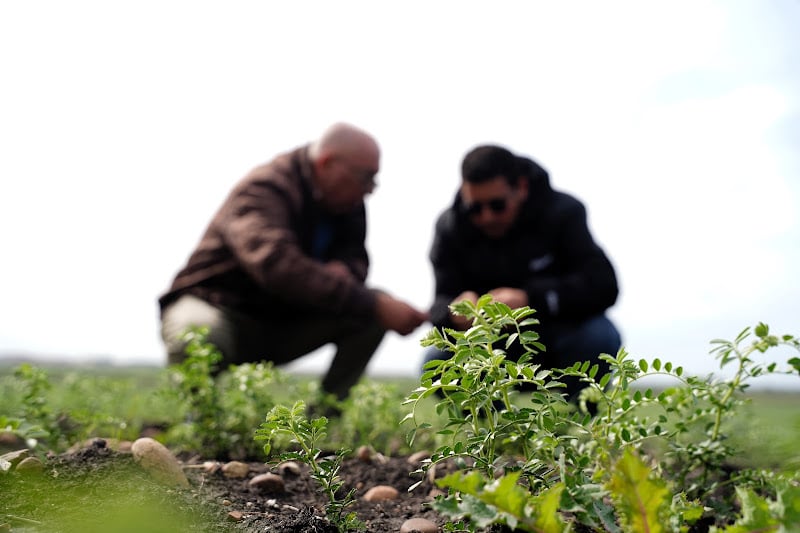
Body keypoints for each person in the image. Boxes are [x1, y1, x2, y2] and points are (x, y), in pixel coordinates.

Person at [159, 122, 428, 401]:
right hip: (220, 307)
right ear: (327, 163)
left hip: (282, 321)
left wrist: (346, 271)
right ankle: (202, 422)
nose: (370, 188)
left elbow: (356, 259)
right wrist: (367, 300)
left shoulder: (347, 202)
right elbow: (276, 266)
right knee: (197, 333)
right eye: (366, 177)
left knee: (373, 312)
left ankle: (318, 428)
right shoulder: (265, 188)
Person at [423, 144, 621, 401]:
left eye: (497, 205)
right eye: (474, 208)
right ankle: (490, 436)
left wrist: (530, 299)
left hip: (555, 337)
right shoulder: (451, 227)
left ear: (522, 188)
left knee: (598, 337)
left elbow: (603, 286)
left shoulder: (563, 212)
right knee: (435, 365)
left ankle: (583, 428)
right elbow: (439, 302)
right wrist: (455, 312)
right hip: (488, 349)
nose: (486, 217)